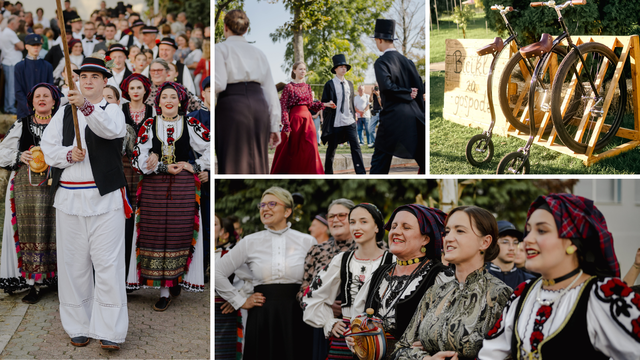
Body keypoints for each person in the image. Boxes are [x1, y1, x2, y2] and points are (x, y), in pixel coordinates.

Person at [479, 194, 640, 359]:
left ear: (571, 242)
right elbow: (490, 355)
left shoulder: (603, 296)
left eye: (541, 230)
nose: (527, 240)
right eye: (528, 230)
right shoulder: (523, 292)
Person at [39, 57, 129, 351]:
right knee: (74, 266)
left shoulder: (112, 111)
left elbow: (110, 131)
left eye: (95, 76)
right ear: (77, 80)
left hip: (105, 200)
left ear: (105, 82)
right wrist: (68, 155)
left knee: (108, 265)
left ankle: (110, 330)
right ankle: (78, 324)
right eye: (83, 76)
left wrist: (86, 108)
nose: (88, 80)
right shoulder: (63, 113)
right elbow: (48, 148)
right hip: (69, 199)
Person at [127, 82, 209, 309]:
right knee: (153, 233)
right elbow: (137, 159)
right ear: (159, 102)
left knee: (178, 233)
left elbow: (213, 146)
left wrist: (196, 165)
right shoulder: (149, 124)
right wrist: (154, 163)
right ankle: (163, 291)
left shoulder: (191, 123)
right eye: (164, 97)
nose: (169, 100)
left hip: (183, 187)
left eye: (173, 96)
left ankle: (175, 281)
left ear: (180, 102)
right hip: (154, 187)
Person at [391, 206, 512, 359]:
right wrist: (425, 358)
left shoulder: (499, 295)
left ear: (485, 242)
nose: (448, 238)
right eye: (447, 232)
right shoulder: (434, 292)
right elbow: (400, 349)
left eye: (460, 231)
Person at [215, 186, 317, 360]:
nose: (265, 208)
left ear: (287, 211)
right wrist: (240, 301)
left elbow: (318, 280)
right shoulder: (250, 241)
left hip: (297, 315)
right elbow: (218, 272)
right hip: (262, 314)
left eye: (272, 203)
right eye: (262, 205)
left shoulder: (307, 241)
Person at [346, 205, 455, 358]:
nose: (395, 231)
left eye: (406, 227)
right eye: (394, 226)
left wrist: (431, 343)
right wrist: (355, 336)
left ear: (425, 239)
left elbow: (450, 329)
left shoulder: (439, 276)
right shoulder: (380, 273)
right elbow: (357, 317)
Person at [303, 203, 393, 360]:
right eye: (352, 222)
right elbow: (311, 297)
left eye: (363, 222)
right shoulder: (342, 260)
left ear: (377, 227)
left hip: (382, 339)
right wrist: (329, 322)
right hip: (345, 338)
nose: (356, 227)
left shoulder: (392, 260)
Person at [0, 83, 60, 302]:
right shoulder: (22, 124)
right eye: (37, 96)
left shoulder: (62, 124)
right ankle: (33, 282)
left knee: (55, 230)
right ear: (32, 101)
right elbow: (2, 151)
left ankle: (55, 279)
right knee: (30, 232)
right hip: (26, 188)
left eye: (46, 96)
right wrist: (18, 157)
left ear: (54, 101)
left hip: (55, 186)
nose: (42, 99)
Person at [215, 9, 281, 174]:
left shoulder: (220, 49)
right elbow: (270, 91)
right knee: (259, 159)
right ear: (246, 29)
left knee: (231, 160)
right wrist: (274, 125)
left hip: (231, 106)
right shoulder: (259, 53)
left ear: (225, 27)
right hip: (259, 105)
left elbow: (218, 84)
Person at [298, 198, 357, 360]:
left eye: (341, 215)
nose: (335, 220)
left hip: (360, 325)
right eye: (331, 216)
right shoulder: (317, 250)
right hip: (322, 325)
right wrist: (326, 306)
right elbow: (303, 290)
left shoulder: (373, 249)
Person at [370, 19, 425, 174]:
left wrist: (406, 92)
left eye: (376, 40)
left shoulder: (381, 62)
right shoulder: (408, 62)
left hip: (393, 119)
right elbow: (419, 88)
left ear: (379, 40)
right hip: (415, 117)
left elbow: (386, 87)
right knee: (423, 159)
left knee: (380, 162)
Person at [119, 73, 153, 276]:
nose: (136, 91)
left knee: (143, 214)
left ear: (145, 90)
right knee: (125, 215)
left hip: (145, 169)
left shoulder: (153, 112)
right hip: (124, 166)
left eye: (139, 88)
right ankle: (124, 271)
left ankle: (139, 270)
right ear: (127, 91)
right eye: (132, 88)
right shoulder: (120, 111)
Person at [271, 61, 327, 174]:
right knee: (293, 151)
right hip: (294, 121)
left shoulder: (307, 87)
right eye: (300, 69)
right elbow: (284, 107)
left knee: (311, 149)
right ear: (294, 70)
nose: (303, 71)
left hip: (308, 121)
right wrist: (286, 126)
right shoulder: (289, 87)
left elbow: (311, 104)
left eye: (304, 69)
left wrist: (325, 104)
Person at [214, 214, 252, 359]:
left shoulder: (228, 255)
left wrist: (238, 298)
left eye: (215, 223)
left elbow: (253, 279)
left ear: (222, 232)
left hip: (224, 316)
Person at [320, 54, 365, 174]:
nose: (343, 68)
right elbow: (323, 102)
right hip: (335, 121)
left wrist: (354, 114)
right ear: (335, 69)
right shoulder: (329, 84)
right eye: (341, 66)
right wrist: (329, 104)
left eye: (345, 66)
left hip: (349, 120)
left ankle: (361, 173)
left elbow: (350, 101)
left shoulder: (349, 84)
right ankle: (328, 174)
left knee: (356, 147)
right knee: (332, 150)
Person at [487, 220, 536, 289]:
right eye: (505, 242)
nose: (512, 248)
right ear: (492, 245)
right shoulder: (480, 280)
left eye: (515, 242)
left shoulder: (529, 281)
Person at [15, 34, 54, 120]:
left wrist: (43, 108)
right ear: (26, 46)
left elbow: (51, 89)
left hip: (44, 111)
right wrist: (29, 108)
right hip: (24, 111)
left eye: (38, 45)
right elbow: (18, 91)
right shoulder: (19, 66)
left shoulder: (48, 66)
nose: (36, 47)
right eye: (33, 45)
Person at [1, 15, 24, 114]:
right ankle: (10, 108)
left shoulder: (5, 32)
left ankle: (8, 107)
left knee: (9, 86)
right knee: (11, 87)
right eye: (18, 22)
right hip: (11, 62)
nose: (19, 24)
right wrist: (18, 46)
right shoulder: (10, 33)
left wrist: (18, 46)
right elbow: (22, 46)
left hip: (9, 61)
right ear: (12, 23)